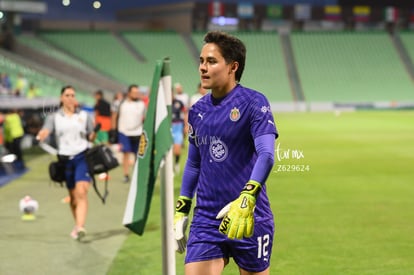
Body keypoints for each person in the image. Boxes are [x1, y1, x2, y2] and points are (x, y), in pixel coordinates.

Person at [173, 31, 278, 275]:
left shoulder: (254, 102)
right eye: (201, 61)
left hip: (250, 215)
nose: (202, 68)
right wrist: (182, 208)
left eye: (211, 61)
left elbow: (266, 154)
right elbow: (193, 164)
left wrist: (247, 198)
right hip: (207, 218)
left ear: (233, 66)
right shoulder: (197, 110)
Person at [36, 85, 96, 241]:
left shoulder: (84, 115)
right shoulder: (54, 117)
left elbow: (91, 134)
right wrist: (42, 134)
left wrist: (93, 135)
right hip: (64, 158)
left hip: (82, 156)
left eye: (73, 95)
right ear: (61, 98)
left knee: (82, 191)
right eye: (67, 95)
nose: (70, 98)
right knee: (73, 196)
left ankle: (81, 226)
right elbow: (46, 130)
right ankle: (77, 224)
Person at [111, 84, 146, 183]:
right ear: (129, 93)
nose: (136, 94)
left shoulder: (142, 104)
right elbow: (114, 116)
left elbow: (145, 118)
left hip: (138, 132)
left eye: (137, 92)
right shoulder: (120, 103)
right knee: (126, 153)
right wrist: (113, 131)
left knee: (138, 155)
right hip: (124, 132)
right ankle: (126, 174)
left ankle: (136, 174)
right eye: (134, 92)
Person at [171, 92, 187, 174]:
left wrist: (186, 126)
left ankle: (176, 164)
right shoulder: (162, 103)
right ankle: (168, 168)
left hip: (178, 127)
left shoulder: (179, 103)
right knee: (168, 150)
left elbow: (185, 113)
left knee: (177, 150)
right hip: (168, 127)